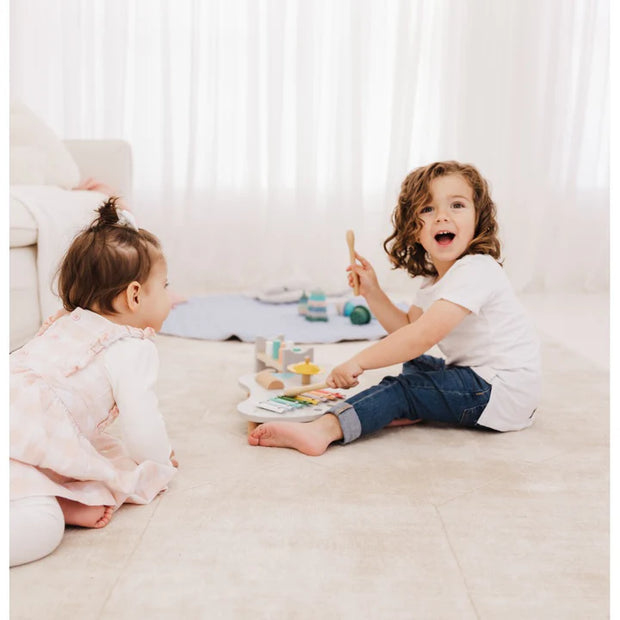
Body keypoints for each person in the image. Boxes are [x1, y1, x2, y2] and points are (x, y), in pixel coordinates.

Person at [249, 161, 541, 456]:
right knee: (418, 368)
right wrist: (372, 292)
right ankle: (412, 407)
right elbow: (407, 330)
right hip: (485, 382)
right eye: (427, 209)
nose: (442, 217)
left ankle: (322, 430)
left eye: (457, 205)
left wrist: (358, 361)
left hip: (501, 393)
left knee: (402, 388)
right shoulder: (434, 281)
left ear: (479, 218)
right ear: (414, 230)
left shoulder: (476, 270)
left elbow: (422, 337)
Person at [9, 197, 178, 567]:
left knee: (30, 470)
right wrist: (158, 462)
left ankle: (64, 496)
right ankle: (57, 501)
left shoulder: (66, 323)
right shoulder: (132, 348)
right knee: (41, 525)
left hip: (17, 418)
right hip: (23, 430)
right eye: (164, 286)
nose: (171, 297)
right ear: (135, 295)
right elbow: (142, 423)